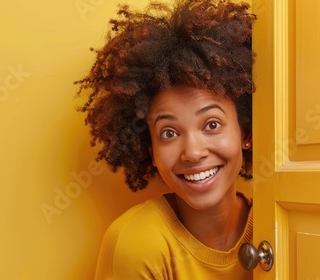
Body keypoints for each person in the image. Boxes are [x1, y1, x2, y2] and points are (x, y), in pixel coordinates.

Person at [75, 0, 255, 279]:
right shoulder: (137, 244)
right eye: (169, 133)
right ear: (152, 149)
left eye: (211, 124)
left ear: (245, 133)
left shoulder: (281, 224)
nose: (193, 153)